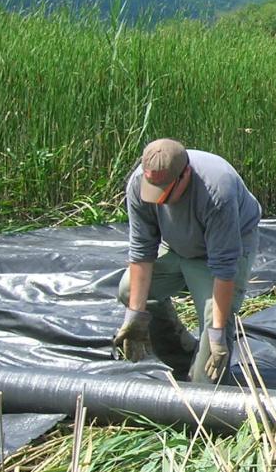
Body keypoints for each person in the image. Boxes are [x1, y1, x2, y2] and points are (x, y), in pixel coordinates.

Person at [112, 138, 262, 384]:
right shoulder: (140, 182)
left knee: (205, 379)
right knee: (129, 291)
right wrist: (135, 317)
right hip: (174, 246)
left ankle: (204, 365)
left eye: (165, 193)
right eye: (153, 192)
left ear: (185, 175)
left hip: (222, 252)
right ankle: (181, 354)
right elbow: (142, 251)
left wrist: (216, 336)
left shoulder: (217, 192)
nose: (158, 200)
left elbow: (224, 268)